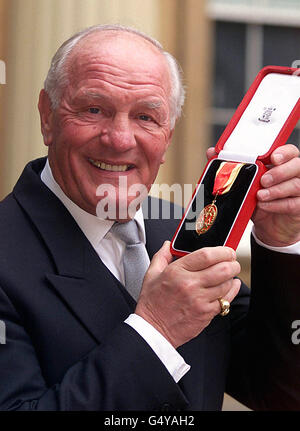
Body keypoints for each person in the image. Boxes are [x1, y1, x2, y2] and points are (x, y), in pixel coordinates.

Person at [0, 24, 299, 411]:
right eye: (94, 109)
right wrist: (155, 330)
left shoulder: (189, 227)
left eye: (145, 116)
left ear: (168, 133)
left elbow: (281, 393)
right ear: (47, 116)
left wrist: (280, 241)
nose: (120, 139)